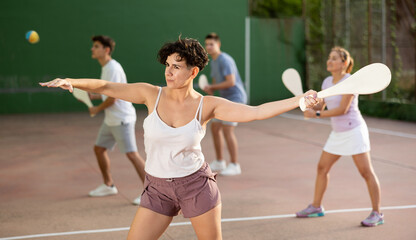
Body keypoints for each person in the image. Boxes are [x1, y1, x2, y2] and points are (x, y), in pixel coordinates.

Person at [40, 36, 318, 240]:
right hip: (157, 188)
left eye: (177, 66)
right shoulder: (151, 94)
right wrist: (71, 82)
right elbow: (106, 86)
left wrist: (299, 100)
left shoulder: (207, 104)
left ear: (193, 71)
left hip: (195, 186)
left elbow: (256, 112)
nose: (169, 71)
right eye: (168, 65)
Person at [296, 47, 384, 227]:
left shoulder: (350, 81)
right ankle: (316, 207)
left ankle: (377, 213)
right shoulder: (327, 81)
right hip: (337, 133)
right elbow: (320, 107)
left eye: (334, 58)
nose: (329, 61)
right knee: (322, 168)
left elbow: (342, 110)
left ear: (344, 63)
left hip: (354, 132)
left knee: (366, 172)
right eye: (329, 58)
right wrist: (310, 107)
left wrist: (317, 116)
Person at [87, 35, 146, 205]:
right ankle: (109, 185)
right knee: (99, 149)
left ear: (106, 50)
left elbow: (113, 98)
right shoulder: (106, 67)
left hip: (122, 119)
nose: (92, 49)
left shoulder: (112, 68)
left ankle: (152, 194)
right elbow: (110, 93)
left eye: (96, 46)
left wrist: (96, 109)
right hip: (111, 120)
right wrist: (95, 96)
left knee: (132, 155)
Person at [203, 33, 247, 176]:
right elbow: (215, 83)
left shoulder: (225, 60)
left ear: (218, 45)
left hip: (236, 99)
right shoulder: (214, 61)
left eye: (212, 44)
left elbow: (231, 82)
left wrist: (213, 87)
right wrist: (211, 90)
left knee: (228, 130)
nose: (209, 47)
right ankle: (220, 161)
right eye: (207, 44)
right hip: (224, 100)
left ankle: (235, 165)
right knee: (215, 127)